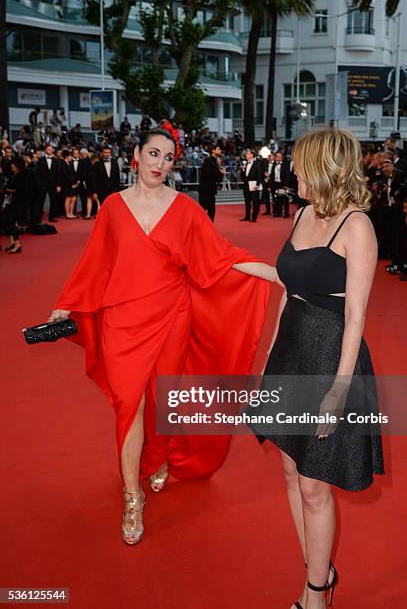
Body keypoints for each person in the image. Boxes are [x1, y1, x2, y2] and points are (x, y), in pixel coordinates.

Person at [47, 121, 281, 546]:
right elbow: (94, 263)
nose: (159, 163)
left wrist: (276, 272)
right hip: (123, 321)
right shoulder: (113, 207)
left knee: (161, 398)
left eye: (168, 157)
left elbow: (220, 257)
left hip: (172, 317)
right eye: (153, 154)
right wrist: (66, 303)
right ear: (136, 155)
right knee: (128, 404)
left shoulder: (186, 209)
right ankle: (132, 496)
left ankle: (158, 459)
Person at [248, 129, 384, 609]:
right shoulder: (303, 213)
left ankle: (316, 593)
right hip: (291, 351)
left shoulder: (356, 226)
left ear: (325, 169)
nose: (294, 172)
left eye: (301, 164)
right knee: (289, 469)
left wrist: (338, 392)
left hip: (329, 356)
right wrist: (267, 358)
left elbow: (355, 315)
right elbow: (291, 285)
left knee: (312, 483)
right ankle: (317, 567)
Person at [36, 144, 61, 222]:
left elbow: (58, 173)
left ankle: (52, 217)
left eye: (51, 149)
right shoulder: (40, 160)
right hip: (43, 184)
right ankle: (39, 217)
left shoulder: (56, 161)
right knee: (41, 201)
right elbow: (38, 173)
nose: (50, 150)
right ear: (45, 150)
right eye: (49, 149)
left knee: (53, 201)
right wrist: (39, 184)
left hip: (53, 184)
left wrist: (58, 185)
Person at [198, 144, 223, 221]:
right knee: (203, 210)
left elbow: (218, 179)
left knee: (211, 211)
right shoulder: (208, 160)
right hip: (205, 190)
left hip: (211, 190)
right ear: (213, 150)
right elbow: (206, 174)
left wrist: (219, 168)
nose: (220, 151)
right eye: (218, 149)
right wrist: (218, 171)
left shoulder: (216, 162)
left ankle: (209, 229)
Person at [241, 148, 263, 222]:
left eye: (247, 153)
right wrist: (243, 169)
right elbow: (243, 176)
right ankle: (247, 216)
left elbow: (260, 174)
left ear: (252, 155)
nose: (246, 155)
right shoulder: (246, 163)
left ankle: (254, 217)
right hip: (246, 185)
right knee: (247, 201)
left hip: (254, 184)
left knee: (254, 202)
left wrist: (258, 184)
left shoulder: (257, 163)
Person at [270, 150, 292, 218]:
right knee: (277, 199)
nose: (279, 157)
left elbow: (287, 175)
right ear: (275, 157)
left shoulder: (286, 164)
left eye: (280, 156)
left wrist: (286, 185)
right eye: (278, 156)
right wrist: (271, 185)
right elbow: (272, 176)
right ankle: (278, 213)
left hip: (283, 184)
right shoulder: (273, 165)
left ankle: (286, 213)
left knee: (285, 199)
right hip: (276, 184)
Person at [60, 149, 80, 219]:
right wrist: (72, 184)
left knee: (74, 198)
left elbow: (73, 173)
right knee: (68, 198)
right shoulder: (63, 164)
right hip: (67, 184)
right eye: (70, 156)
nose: (71, 158)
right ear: (66, 157)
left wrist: (77, 181)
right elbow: (65, 175)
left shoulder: (70, 163)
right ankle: (67, 213)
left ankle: (71, 213)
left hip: (73, 184)